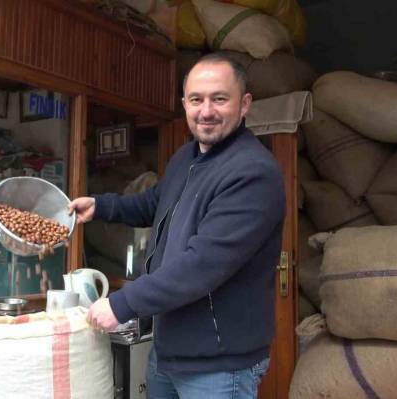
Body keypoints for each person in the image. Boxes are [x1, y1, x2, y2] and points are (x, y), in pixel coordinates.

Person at [67, 53, 286, 398]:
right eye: (197, 99)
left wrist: (123, 304)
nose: (206, 111)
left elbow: (202, 265)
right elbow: (156, 202)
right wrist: (102, 206)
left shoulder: (253, 173)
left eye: (220, 99)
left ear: (244, 104)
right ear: (184, 104)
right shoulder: (187, 157)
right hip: (170, 350)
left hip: (219, 363)